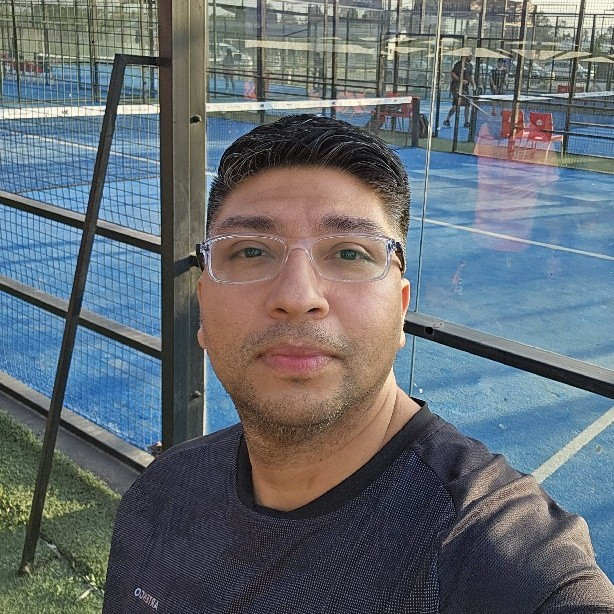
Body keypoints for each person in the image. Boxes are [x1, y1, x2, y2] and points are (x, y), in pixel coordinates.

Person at [102, 115, 614, 613]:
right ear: (202, 307)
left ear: (400, 309)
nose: (297, 297)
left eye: (349, 253)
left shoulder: (497, 558)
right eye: (252, 251)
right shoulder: (161, 492)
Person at [443, 54, 475, 128]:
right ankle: (447, 120)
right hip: (456, 87)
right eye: (469, 56)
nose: (470, 57)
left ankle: (466, 122)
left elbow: (470, 76)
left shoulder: (470, 65)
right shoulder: (459, 64)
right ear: (464, 56)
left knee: (467, 104)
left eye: (471, 56)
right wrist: (460, 80)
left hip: (465, 88)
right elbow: (452, 73)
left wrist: (473, 84)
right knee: (456, 105)